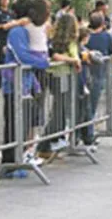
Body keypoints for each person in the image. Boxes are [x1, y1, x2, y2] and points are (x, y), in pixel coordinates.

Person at [0, 0, 50, 178]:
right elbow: (22, 56)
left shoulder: (23, 30)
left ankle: (17, 160)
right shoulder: (17, 32)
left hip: (24, 85)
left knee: (23, 124)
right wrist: (42, 62)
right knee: (13, 126)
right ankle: (10, 164)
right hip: (14, 85)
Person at [37, 13, 82, 158]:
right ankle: (44, 144)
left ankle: (52, 142)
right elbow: (56, 56)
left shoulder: (53, 39)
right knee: (59, 111)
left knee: (60, 110)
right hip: (61, 76)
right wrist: (74, 60)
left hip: (52, 75)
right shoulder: (70, 41)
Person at [85, 12, 112, 140]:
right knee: (92, 105)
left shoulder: (86, 36)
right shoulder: (106, 37)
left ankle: (84, 133)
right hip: (99, 74)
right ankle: (89, 134)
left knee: (84, 105)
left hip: (84, 74)